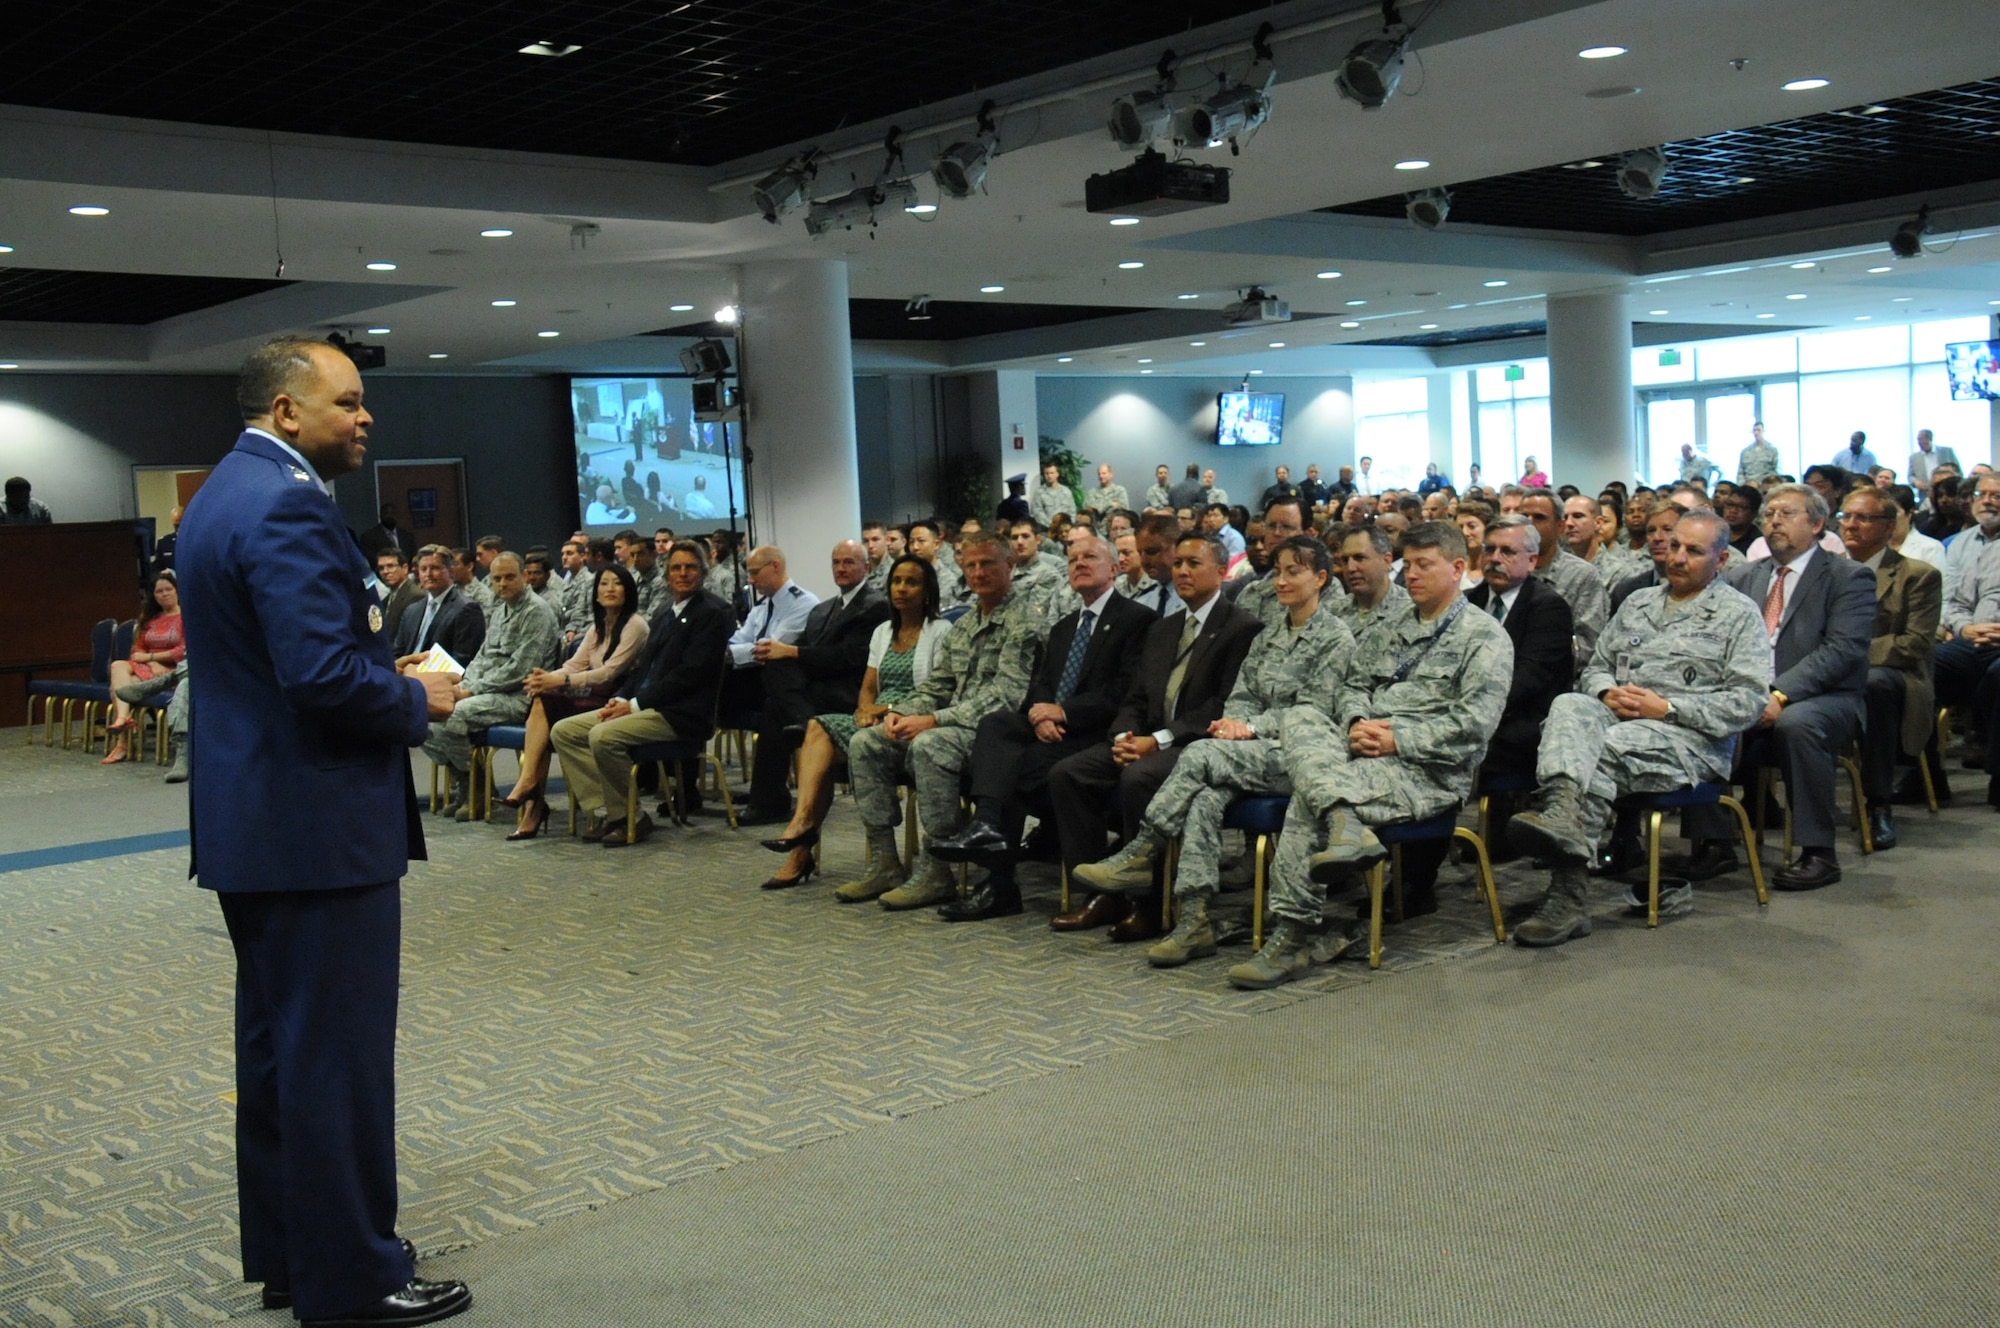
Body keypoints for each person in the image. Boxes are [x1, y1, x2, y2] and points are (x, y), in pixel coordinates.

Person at [177, 336, 470, 1325]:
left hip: (256, 824)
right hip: (314, 824)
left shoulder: (220, 491)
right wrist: (414, 693)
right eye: (346, 400)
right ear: (286, 410)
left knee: (279, 1056)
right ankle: (353, 1274)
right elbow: (320, 676)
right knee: (335, 1062)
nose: (364, 416)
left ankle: (298, 1255)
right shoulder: (290, 501)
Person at [1226, 522, 1510, 984]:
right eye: (1407, 564)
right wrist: (1357, 721)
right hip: (1361, 750)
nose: (1411, 575)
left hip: (1427, 768)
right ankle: (1343, 825)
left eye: (1424, 565)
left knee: (1309, 797)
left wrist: (1397, 739)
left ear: (1458, 568)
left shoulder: (1485, 637)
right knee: (1300, 718)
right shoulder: (1393, 626)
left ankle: (1291, 935)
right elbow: (1354, 684)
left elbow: (1475, 727)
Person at [1073, 536, 1353, 970]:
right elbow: (1241, 694)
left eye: (1293, 572)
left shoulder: (1336, 637)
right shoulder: (1272, 631)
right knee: (1203, 799)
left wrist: (1249, 727)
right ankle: (1193, 919)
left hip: (1298, 756)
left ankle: (1143, 848)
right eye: (1277, 571)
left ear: (1319, 579)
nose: (1280, 581)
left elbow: (1314, 711)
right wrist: (1234, 724)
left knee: (1201, 754)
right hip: (1248, 752)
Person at [1508, 511, 1769, 945]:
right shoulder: (1638, 602)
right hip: (1618, 719)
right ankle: (1563, 809)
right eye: (1675, 545)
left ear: (1721, 560)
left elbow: (1747, 702)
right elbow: (1595, 670)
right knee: (1570, 703)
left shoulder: (1738, 615)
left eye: (1694, 551)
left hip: (1688, 740)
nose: (1677, 557)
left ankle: (1568, 894)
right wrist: (1607, 692)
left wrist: (1666, 707)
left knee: (1600, 753)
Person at [927, 535, 1154, 920]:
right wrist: (1039, 713)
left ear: (1115, 568)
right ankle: (986, 827)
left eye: (1090, 557)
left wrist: (1061, 713)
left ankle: (1001, 883)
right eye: (1072, 559)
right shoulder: (1065, 626)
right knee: (998, 725)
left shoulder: (1137, 619)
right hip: (1052, 729)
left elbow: (1124, 691)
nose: (1079, 563)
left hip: (1096, 731)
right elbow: (1042, 683)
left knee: (1008, 770)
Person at [1046, 533, 1261, 940]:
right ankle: (1098, 893)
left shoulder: (1242, 627)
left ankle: (1148, 904)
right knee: (1068, 773)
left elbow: (1220, 705)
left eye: (1193, 564)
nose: (1181, 570)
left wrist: (1159, 739)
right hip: (1146, 737)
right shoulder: (1163, 629)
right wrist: (1125, 734)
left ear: (1220, 571)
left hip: (1198, 744)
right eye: (1177, 563)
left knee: (1139, 777)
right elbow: (1137, 695)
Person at [833, 532, 1045, 908]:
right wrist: (903, 712)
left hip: (996, 735)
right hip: (950, 724)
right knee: (866, 741)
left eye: (988, 564)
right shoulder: (965, 625)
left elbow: (1004, 699)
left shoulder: (1025, 622)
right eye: (971, 565)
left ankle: (937, 869)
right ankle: (884, 861)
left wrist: (931, 720)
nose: (978, 572)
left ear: (1009, 565)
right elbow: (939, 683)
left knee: (931, 744)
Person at [1685, 484, 1874, 889]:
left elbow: (1842, 650)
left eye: (1786, 514)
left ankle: (1819, 852)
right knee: (1696, 714)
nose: (1773, 521)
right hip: (1748, 692)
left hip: (1824, 698)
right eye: (1769, 514)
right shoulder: (1740, 577)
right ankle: (1715, 843)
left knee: (1797, 725)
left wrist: (1779, 693)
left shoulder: (1848, 577)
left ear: (1818, 523)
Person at [758, 556, 952, 890]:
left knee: (821, 749)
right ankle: (803, 826)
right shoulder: (883, 632)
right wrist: (864, 710)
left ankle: (803, 842)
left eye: (911, 582)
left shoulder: (940, 631)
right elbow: (867, 687)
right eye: (896, 582)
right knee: (817, 727)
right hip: (875, 718)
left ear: (927, 591)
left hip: (911, 721)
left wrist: (883, 710)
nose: (902, 589)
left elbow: (936, 692)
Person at [551, 542, 733, 845]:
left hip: (680, 714)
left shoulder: (712, 613)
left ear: (703, 572)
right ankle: (611, 810)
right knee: (564, 731)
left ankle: (630, 817)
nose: (683, 573)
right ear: (666, 574)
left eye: (690, 567)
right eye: (676, 567)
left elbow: (688, 676)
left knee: (603, 736)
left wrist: (633, 705)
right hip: (644, 707)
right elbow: (642, 669)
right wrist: (620, 698)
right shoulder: (664, 613)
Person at [740, 540, 890, 824]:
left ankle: (772, 793)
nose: (841, 568)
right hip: (817, 687)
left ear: (866, 567)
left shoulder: (876, 606)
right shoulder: (823, 609)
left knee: (776, 695)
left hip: (851, 689)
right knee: (773, 693)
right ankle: (770, 797)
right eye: (836, 562)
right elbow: (810, 654)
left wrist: (792, 652)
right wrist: (787, 654)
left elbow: (851, 658)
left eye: (848, 562)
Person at [498, 563, 649, 840]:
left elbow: (609, 673)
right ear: (596, 592)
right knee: (542, 697)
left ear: (628, 590)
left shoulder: (636, 625)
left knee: (545, 707)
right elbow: (573, 664)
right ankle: (531, 793)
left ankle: (531, 793)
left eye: (617, 583)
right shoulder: (598, 627)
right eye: (604, 584)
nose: (610, 589)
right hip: (591, 696)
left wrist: (560, 682)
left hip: (617, 700)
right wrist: (545, 677)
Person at [411, 552, 562, 819]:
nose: (502, 584)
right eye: (497, 579)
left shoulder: (536, 611)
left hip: (521, 695)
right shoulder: (501, 609)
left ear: (525, 576)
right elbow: (483, 657)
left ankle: (477, 790)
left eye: (509, 577)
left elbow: (520, 670)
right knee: (423, 713)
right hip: (487, 690)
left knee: (453, 715)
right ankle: (468, 784)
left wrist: (469, 691)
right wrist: (461, 687)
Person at [1836, 487, 1939, 848]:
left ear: (1888, 527)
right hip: (1831, 671)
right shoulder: (1825, 572)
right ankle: (1763, 799)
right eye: (1845, 517)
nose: (1850, 525)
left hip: (1894, 676)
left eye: (1862, 518)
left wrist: (1848, 654)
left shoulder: (1917, 575)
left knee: (1874, 685)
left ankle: (1878, 802)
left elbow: (1915, 645)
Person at [1465, 516, 1575, 779]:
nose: (1494, 558)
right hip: (1470, 710)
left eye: (1507, 552)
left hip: (1521, 720)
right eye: (1489, 549)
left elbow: (1527, 679)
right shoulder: (1468, 602)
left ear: (1532, 561)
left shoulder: (1549, 607)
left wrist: (1471, 706)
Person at [1935, 473, 2000, 809]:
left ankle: (1998, 775)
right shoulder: (1959, 543)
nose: (1986, 501)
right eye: (1981, 494)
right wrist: (1964, 629)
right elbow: (1948, 601)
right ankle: (1927, 776)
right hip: (1969, 638)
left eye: (1996, 495)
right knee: (1922, 667)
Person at [1519, 490, 1608, 677]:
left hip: (1553, 677)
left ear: (1559, 527)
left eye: (1539, 518)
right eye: (1523, 517)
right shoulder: (1508, 570)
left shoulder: (1581, 575)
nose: (1529, 524)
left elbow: (1586, 647)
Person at [102, 571, 185, 764]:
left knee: (122, 685)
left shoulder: (186, 617)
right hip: (149, 669)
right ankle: (123, 718)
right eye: (159, 591)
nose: (164, 594)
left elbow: (183, 650)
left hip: (173, 672)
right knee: (119, 668)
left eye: (168, 589)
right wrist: (151, 662)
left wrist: (151, 657)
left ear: (177, 591)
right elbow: (136, 650)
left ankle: (122, 741)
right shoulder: (149, 619)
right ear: (153, 596)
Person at [392, 546, 486, 666]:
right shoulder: (412, 610)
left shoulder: (466, 608)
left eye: (435, 568)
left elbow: (463, 660)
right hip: (406, 676)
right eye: (423, 569)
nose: (428, 574)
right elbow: (397, 653)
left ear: (451, 571)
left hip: (441, 679)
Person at [375, 548, 422, 643]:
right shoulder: (386, 599)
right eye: (381, 568)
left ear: (405, 568)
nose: (385, 572)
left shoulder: (415, 596)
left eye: (390, 566)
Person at [1907, 428, 1959, 499]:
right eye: (1918, 439)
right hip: (1925, 493)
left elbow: (1958, 470)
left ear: (1929, 439)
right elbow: (1910, 476)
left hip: (1947, 490)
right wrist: (1915, 481)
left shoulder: (1946, 451)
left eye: (1921, 439)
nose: (1919, 442)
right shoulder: (1914, 457)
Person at [1032, 461, 1076, 526]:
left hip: (1065, 529)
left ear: (1057, 474)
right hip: (1047, 530)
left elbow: (1072, 511)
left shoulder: (1066, 491)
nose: (1049, 476)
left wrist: (1068, 525)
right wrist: (1052, 525)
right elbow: (1037, 512)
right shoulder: (1039, 492)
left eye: (1052, 473)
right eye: (1046, 473)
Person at [1738, 422, 1781, 486]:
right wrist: (1743, 486)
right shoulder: (1745, 451)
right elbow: (1740, 472)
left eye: (1758, 430)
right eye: (1754, 430)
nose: (1756, 433)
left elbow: (1777, 470)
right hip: (1748, 487)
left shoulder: (1772, 450)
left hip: (1766, 486)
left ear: (1763, 431)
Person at [150, 504, 184, 577]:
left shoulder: (198, 541)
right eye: (176, 525)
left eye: (181, 524)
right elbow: (156, 568)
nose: (179, 528)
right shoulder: (164, 543)